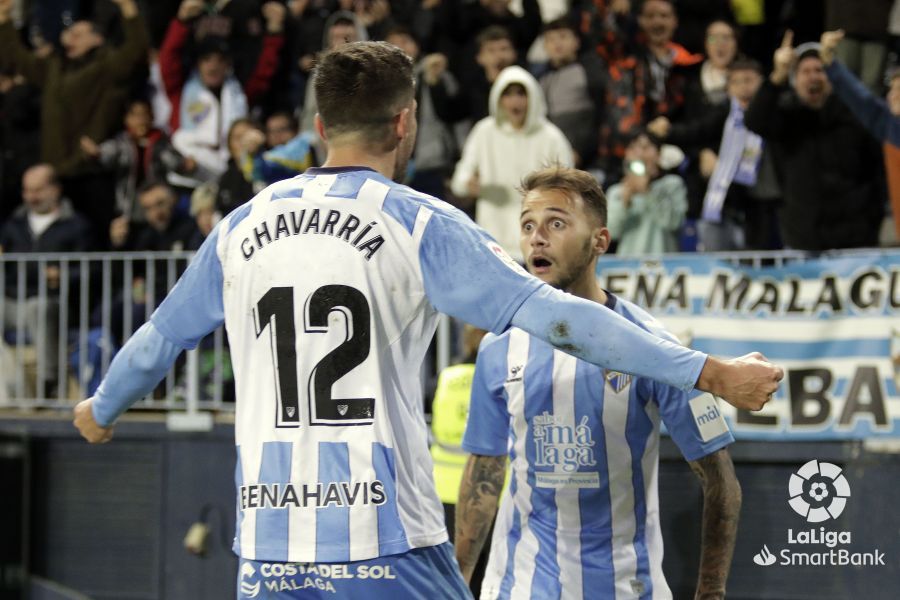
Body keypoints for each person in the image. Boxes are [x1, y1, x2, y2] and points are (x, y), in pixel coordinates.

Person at [73, 42, 781, 599]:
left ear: (319, 128)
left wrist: (101, 408)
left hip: (267, 546)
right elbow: (563, 321)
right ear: (405, 121)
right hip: (385, 539)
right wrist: (709, 371)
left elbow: (159, 341)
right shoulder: (416, 223)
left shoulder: (238, 227)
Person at [455, 166, 741, 599]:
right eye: (528, 225)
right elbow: (484, 473)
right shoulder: (498, 347)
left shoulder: (654, 348)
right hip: (518, 586)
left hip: (624, 587)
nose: (537, 238)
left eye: (556, 223)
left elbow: (720, 481)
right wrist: (457, 583)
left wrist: (711, 592)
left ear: (599, 241)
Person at [744, 32, 884, 251]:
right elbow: (754, 121)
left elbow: (877, 169)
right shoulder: (785, 115)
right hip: (802, 241)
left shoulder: (853, 115)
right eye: (805, 71)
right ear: (795, 80)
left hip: (856, 241)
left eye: (819, 70)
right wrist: (777, 76)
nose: (813, 77)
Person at [450, 65, 574, 261]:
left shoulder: (551, 137)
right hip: (493, 246)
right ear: (498, 98)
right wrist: (468, 185)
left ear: (533, 96)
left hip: (539, 247)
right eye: (508, 95)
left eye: (521, 94)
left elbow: (570, 189)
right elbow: (460, 180)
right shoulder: (484, 132)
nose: (515, 101)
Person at [1, 164, 92, 397]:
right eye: (27, 190)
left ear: (55, 189)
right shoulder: (12, 225)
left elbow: (92, 270)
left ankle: (48, 381)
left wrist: (63, 276)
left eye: (38, 190)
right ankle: (9, 385)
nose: (32, 197)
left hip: (56, 303)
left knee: (37, 307)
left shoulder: (76, 225)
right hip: (12, 301)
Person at [821, 29, 900, 244]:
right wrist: (830, 62)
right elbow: (861, 99)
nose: (894, 95)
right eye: (892, 89)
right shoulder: (890, 125)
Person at [605, 130, 688, 255]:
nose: (639, 153)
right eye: (633, 148)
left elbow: (674, 223)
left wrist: (648, 192)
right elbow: (611, 233)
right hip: (628, 263)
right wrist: (624, 204)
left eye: (645, 147)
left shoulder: (672, 184)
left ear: (658, 154)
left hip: (665, 261)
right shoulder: (616, 191)